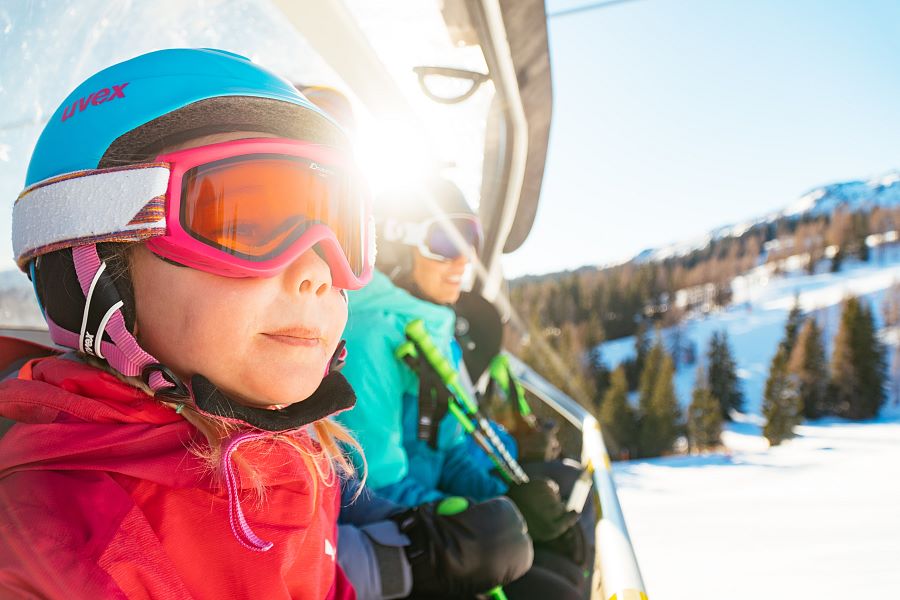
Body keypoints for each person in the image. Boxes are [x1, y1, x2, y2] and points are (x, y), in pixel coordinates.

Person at [0, 48, 530, 600]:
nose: (316, 273)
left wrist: (414, 534)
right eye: (246, 223)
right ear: (92, 265)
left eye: (341, 233)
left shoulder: (290, 437)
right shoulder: (59, 548)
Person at [337, 177, 587, 598]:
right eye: (445, 241)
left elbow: (450, 452)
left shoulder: (435, 329)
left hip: (436, 513)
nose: (465, 258)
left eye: (470, 237)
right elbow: (373, 488)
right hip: (399, 535)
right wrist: (482, 521)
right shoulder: (367, 338)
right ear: (396, 245)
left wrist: (508, 498)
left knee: (565, 575)